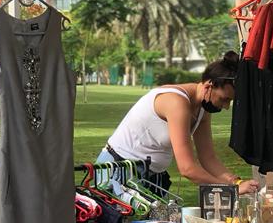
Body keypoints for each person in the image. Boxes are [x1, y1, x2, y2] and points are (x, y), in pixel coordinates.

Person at [101, 51, 258, 193]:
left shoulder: (202, 109)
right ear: (209, 85)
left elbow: (208, 158)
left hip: (149, 177)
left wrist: (236, 181)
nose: (225, 107)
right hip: (119, 172)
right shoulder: (176, 103)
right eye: (224, 99)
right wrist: (231, 189)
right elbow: (187, 168)